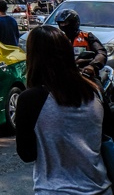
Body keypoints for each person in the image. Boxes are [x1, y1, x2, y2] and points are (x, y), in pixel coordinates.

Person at [15, 25, 113, 194]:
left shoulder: (30, 99)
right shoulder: (94, 90)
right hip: (101, 188)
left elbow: (27, 154)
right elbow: (109, 134)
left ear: (33, 57)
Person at [55, 8, 108, 79]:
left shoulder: (87, 36)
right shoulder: (57, 38)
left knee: (97, 88)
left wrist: (92, 65)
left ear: (74, 22)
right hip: (64, 73)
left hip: (85, 72)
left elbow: (101, 52)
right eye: (61, 23)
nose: (63, 25)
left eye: (66, 23)